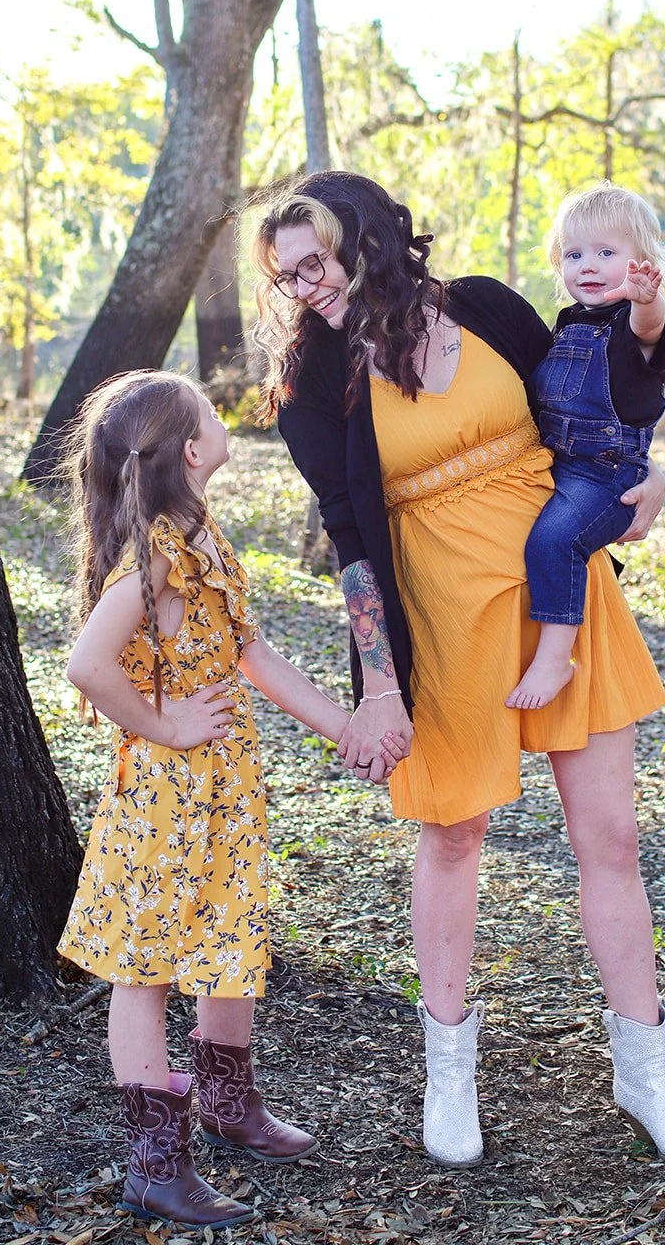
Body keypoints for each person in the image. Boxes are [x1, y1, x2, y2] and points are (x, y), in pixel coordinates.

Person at [252, 172, 665, 1170]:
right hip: (438, 609)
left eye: (316, 262)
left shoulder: (484, 306)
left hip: (560, 589)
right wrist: (377, 681)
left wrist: (646, 472)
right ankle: (449, 1071)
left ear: (368, 239)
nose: (303, 285)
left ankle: (646, 1074)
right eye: (285, 274)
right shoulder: (309, 382)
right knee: (454, 835)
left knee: (611, 836)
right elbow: (347, 540)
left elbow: (592, 400)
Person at [58, 370, 397, 1231]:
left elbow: (256, 657)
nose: (221, 416)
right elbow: (87, 664)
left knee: (232, 939)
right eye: (210, 411)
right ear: (193, 448)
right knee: (147, 971)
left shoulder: (199, 537)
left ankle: (227, 1104)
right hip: (166, 801)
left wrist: (348, 728)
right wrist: (163, 725)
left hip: (223, 796)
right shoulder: (157, 558)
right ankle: (155, 1167)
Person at [507, 184, 665, 711]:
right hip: (559, 463)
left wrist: (648, 299)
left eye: (607, 253)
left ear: (641, 263)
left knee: (553, 541)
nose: (588, 266)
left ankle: (557, 657)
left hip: (606, 473)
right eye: (575, 255)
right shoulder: (569, 324)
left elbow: (650, 328)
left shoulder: (631, 323)